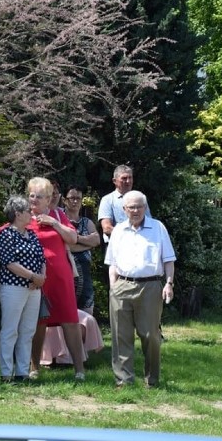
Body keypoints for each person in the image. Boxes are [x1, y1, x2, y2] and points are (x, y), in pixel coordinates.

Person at [104, 190, 176, 388]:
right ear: (124, 209)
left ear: (145, 207)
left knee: (150, 335)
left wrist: (169, 283)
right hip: (122, 286)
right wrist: (113, 287)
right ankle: (123, 381)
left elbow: (169, 260)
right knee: (121, 336)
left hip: (151, 286)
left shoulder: (158, 228)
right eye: (131, 207)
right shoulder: (118, 230)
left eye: (139, 206)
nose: (135, 210)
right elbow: (112, 263)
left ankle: (152, 380)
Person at [25, 177, 86, 381]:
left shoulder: (58, 215)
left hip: (60, 277)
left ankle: (79, 369)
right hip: (37, 278)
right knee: (39, 321)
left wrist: (53, 223)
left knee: (70, 319)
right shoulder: (24, 216)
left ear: (49, 198)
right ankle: (34, 368)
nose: (34, 200)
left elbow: (73, 238)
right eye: (31, 195)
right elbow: (4, 233)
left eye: (39, 196)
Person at [0, 196, 46, 381]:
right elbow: (9, 262)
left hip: (34, 288)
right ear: (18, 214)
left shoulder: (31, 234)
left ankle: (22, 372)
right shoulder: (6, 234)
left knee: (28, 330)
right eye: (28, 211)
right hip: (13, 286)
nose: (32, 214)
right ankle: (6, 372)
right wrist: (32, 276)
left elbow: (41, 258)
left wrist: (41, 278)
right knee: (10, 330)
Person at [64, 185, 100, 313]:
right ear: (65, 200)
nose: (75, 201)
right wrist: (86, 244)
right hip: (66, 278)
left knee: (87, 317)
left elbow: (96, 240)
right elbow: (65, 247)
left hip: (85, 277)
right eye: (72, 198)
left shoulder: (86, 222)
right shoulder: (60, 221)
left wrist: (75, 238)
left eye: (78, 198)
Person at [97, 165, 149, 245]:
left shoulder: (140, 198)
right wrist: (130, 237)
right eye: (124, 178)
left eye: (130, 177)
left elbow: (148, 222)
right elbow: (107, 228)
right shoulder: (107, 200)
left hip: (141, 244)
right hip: (116, 245)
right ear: (114, 181)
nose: (128, 181)